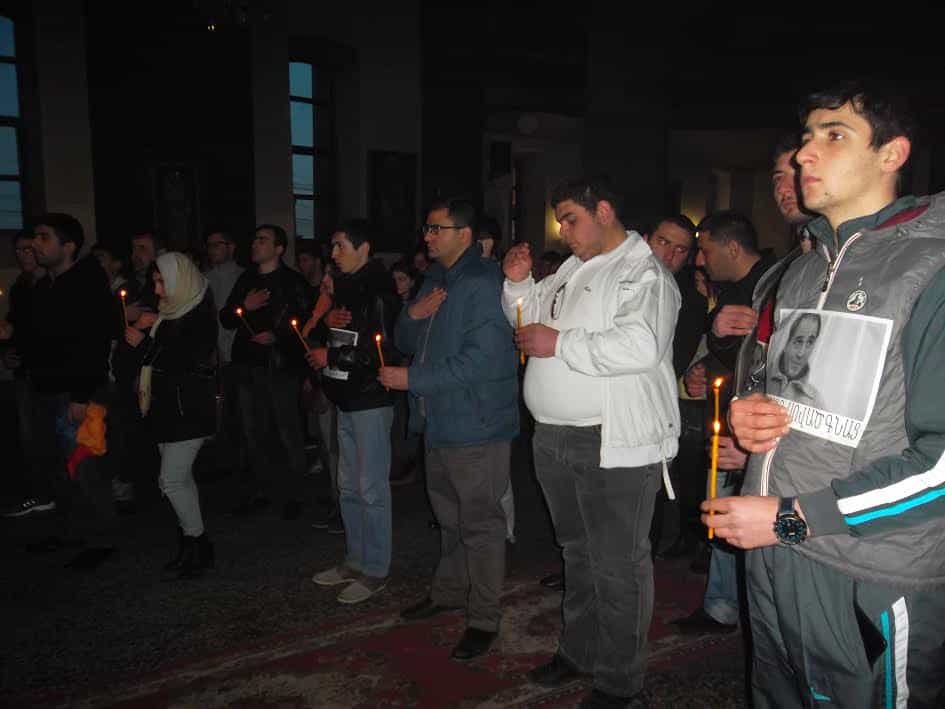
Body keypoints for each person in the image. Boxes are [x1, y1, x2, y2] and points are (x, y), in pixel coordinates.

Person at [709, 81, 945, 707]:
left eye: (835, 135)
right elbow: (787, 391)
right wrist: (751, 413)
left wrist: (792, 517)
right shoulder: (804, 268)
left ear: (892, 153)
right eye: (807, 137)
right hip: (777, 554)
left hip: (869, 569)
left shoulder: (933, 268)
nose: (804, 154)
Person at [505, 177, 680, 707]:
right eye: (561, 221)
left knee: (618, 564)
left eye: (570, 219)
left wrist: (560, 343)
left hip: (611, 440)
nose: (563, 230)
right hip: (553, 437)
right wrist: (517, 286)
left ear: (603, 211)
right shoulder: (570, 269)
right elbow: (529, 323)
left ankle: (619, 682)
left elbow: (641, 345)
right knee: (577, 553)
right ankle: (578, 651)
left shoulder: (643, 271)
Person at [383, 198, 519, 662]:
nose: (426, 236)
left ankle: (483, 618)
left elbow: (484, 362)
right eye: (426, 227)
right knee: (449, 518)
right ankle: (448, 592)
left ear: (464, 234)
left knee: (480, 525)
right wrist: (411, 315)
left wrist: (412, 380)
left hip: (476, 424)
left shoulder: (483, 282)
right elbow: (404, 339)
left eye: (436, 228)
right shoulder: (436, 278)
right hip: (438, 419)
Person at [0, 214, 117, 569]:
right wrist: (14, 347)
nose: (35, 244)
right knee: (57, 467)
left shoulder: (85, 283)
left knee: (84, 466)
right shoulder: (45, 286)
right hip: (46, 389)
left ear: (68, 246)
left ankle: (101, 539)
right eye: (35, 237)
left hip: (77, 392)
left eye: (44, 237)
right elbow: (40, 336)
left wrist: (81, 396)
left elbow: (92, 343)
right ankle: (71, 530)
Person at [307, 219, 399, 605]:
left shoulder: (379, 290)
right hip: (345, 396)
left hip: (370, 399)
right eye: (332, 246)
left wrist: (331, 356)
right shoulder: (343, 286)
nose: (333, 254)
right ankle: (355, 559)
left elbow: (382, 350)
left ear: (364, 248)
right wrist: (326, 324)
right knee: (347, 485)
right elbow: (334, 334)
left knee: (371, 487)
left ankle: (376, 568)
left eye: (340, 246)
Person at [123, 252, 218, 578]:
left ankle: (199, 544)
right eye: (155, 282)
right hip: (167, 410)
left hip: (188, 411)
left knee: (171, 480)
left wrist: (145, 343)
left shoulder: (198, 316)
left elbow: (184, 362)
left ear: (181, 280)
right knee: (182, 480)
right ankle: (191, 544)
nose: (157, 290)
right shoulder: (171, 313)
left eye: (162, 282)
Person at [220, 224, 312, 519]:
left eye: (263, 240)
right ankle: (262, 489)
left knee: (287, 429)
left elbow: (305, 323)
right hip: (248, 365)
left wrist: (278, 336)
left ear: (279, 248)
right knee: (252, 431)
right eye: (255, 239)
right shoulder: (246, 279)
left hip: (280, 366)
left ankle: (296, 493)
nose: (255, 244)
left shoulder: (293, 282)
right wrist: (244, 306)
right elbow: (226, 318)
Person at [204, 228, 245, 476]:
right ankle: (225, 465)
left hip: (238, 356)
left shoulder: (243, 276)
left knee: (241, 414)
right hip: (215, 356)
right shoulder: (204, 279)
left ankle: (242, 466)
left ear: (231, 247)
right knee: (220, 415)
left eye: (217, 245)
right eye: (209, 245)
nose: (212, 250)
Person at [767, 311, 823, 408]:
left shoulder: (815, 401)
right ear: (785, 341)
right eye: (798, 341)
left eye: (810, 342)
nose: (801, 353)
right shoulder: (761, 376)